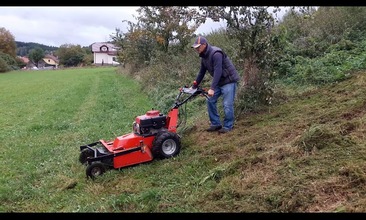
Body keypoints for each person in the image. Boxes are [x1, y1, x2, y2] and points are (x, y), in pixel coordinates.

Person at [191, 36, 240, 133]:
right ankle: (216, 124)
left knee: (227, 104)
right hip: (220, 81)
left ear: (204, 45)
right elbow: (201, 72)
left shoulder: (216, 53)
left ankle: (228, 126)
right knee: (210, 100)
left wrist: (212, 88)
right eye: (195, 47)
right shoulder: (204, 57)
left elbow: (218, 71)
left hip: (228, 80)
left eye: (198, 47)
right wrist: (194, 86)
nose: (196, 49)